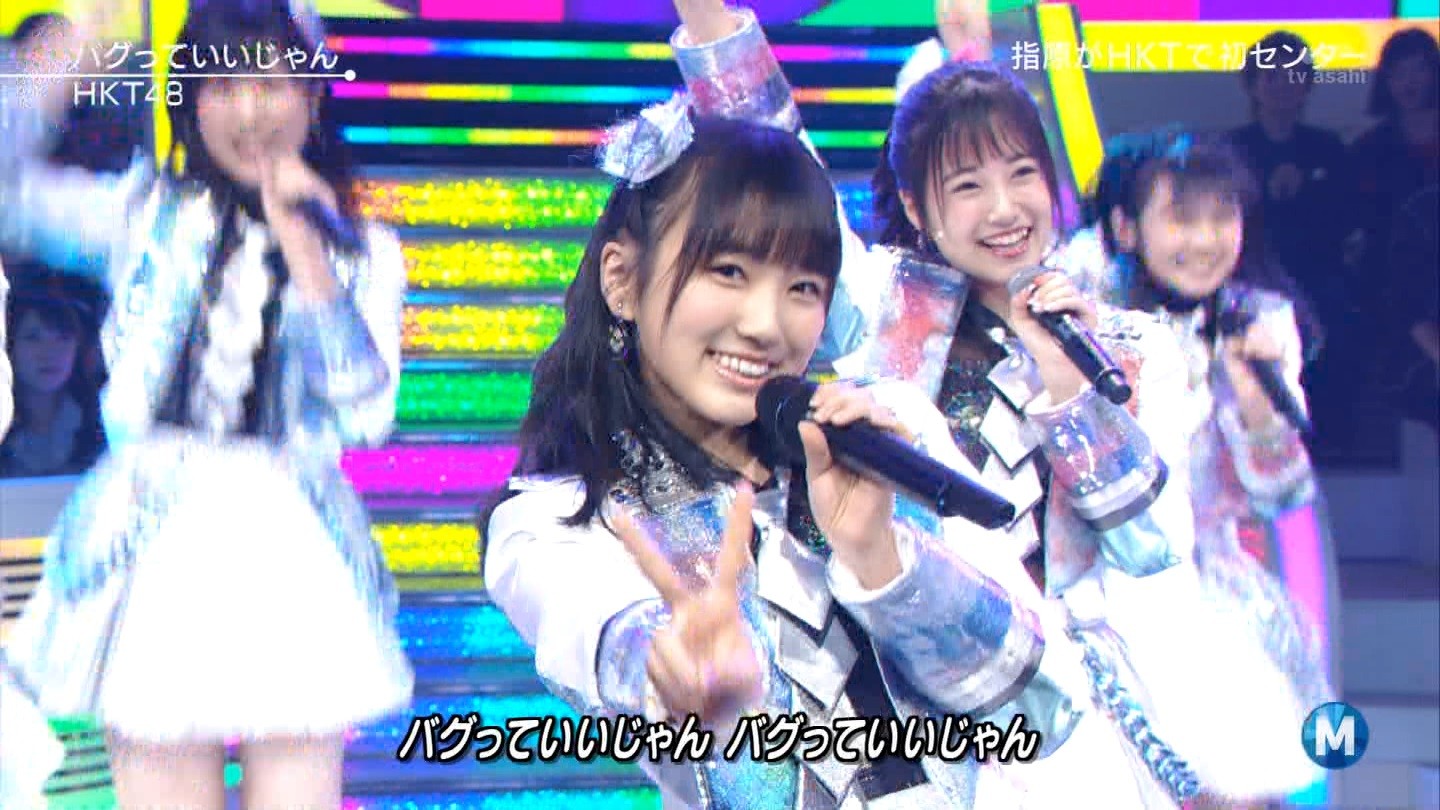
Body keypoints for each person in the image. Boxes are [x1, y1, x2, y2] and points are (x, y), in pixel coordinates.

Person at [665, 1, 1325, 806]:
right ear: (918, 208)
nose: (1005, 208)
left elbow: (1152, 548)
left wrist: (1071, 390)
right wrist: (709, 22)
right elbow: (780, 165)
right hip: (912, 699)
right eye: (969, 186)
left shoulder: (1127, 342)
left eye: (1021, 175)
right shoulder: (884, 309)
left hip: (1079, 720)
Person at [479, 77, 1099, 807]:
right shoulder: (555, 521)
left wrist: (883, 559)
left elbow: (1042, 715)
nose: (766, 325)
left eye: (803, 287)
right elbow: (608, 630)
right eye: (728, 272)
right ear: (621, 279)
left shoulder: (884, 432)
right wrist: (668, 664)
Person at [0, 1, 413, 806]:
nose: (249, 111)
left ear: (312, 94)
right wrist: (68, 46)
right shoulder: (140, 215)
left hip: (294, 556)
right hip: (150, 550)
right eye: (222, 85)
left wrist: (307, 245)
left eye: (270, 82)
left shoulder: (363, 251)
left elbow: (365, 414)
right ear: (190, 100)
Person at [1087, 127, 1339, 805]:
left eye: (1222, 217)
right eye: (1182, 218)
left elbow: (1284, 492)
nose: (1205, 240)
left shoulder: (1260, 322)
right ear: (1126, 227)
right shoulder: (1087, 322)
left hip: (1217, 596)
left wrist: (1256, 406)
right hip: (1103, 597)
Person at [0, 285, 106, 477]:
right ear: (10, 346)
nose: (49, 353)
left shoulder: (103, 425)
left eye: (63, 338)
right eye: (33, 338)